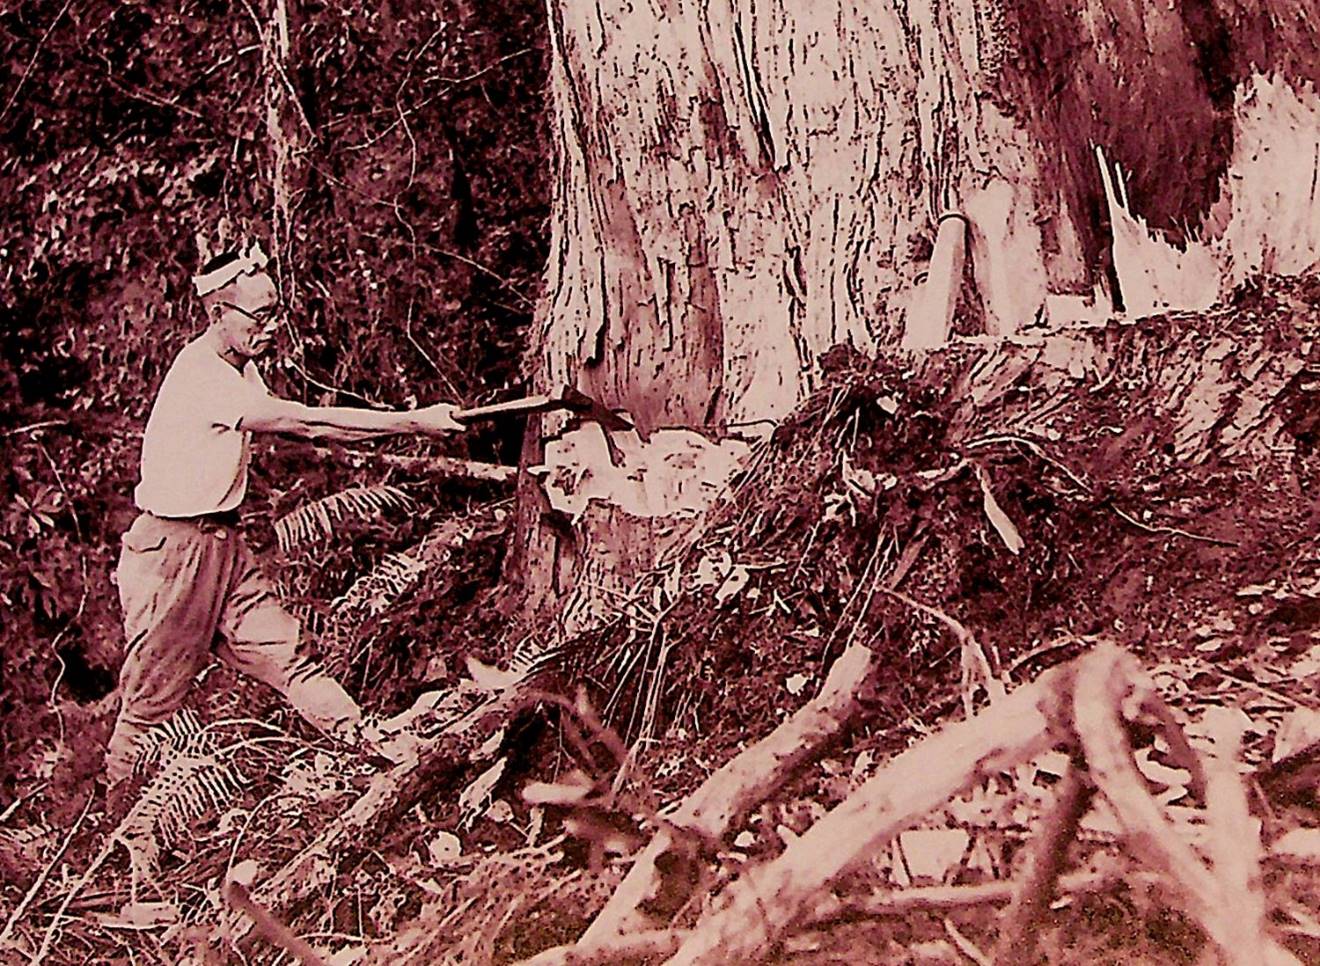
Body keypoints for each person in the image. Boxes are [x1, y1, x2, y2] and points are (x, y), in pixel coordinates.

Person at [104, 243, 463, 807]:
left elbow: (321, 431)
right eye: (259, 316)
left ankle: (370, 746)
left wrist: (413, 426)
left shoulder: (239, 369)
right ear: (218, 313)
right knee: (150, 704)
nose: (271, 327)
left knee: (290, 655)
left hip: (223, 543)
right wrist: (412, 421)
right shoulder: (203, 376)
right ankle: (109, 832)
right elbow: (306, 421)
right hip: (174, 553)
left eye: (276, 313)